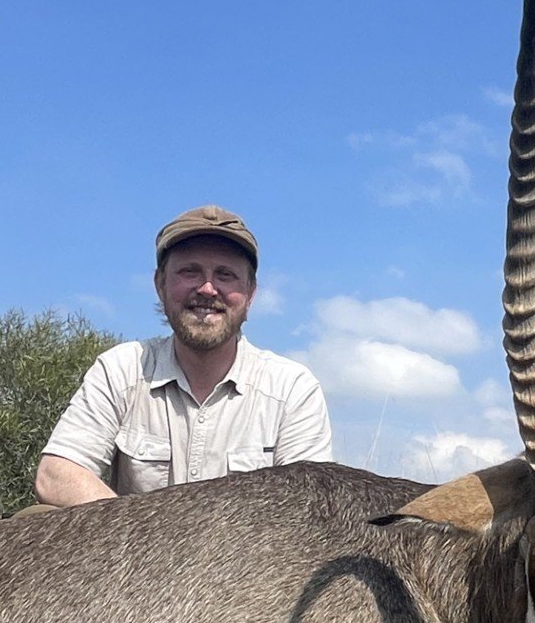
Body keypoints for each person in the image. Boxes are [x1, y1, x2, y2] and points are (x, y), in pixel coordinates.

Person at [34, 205, 333, 504]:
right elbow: (56, 474)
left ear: (250, 294)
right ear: (160, 285)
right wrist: (151, 539)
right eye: (189, 271)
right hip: (136, 548)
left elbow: (309, 507)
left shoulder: (293, 388)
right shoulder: (121, 368)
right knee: (36, 520)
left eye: (225, 275)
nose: (206, 289)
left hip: (249, 551)